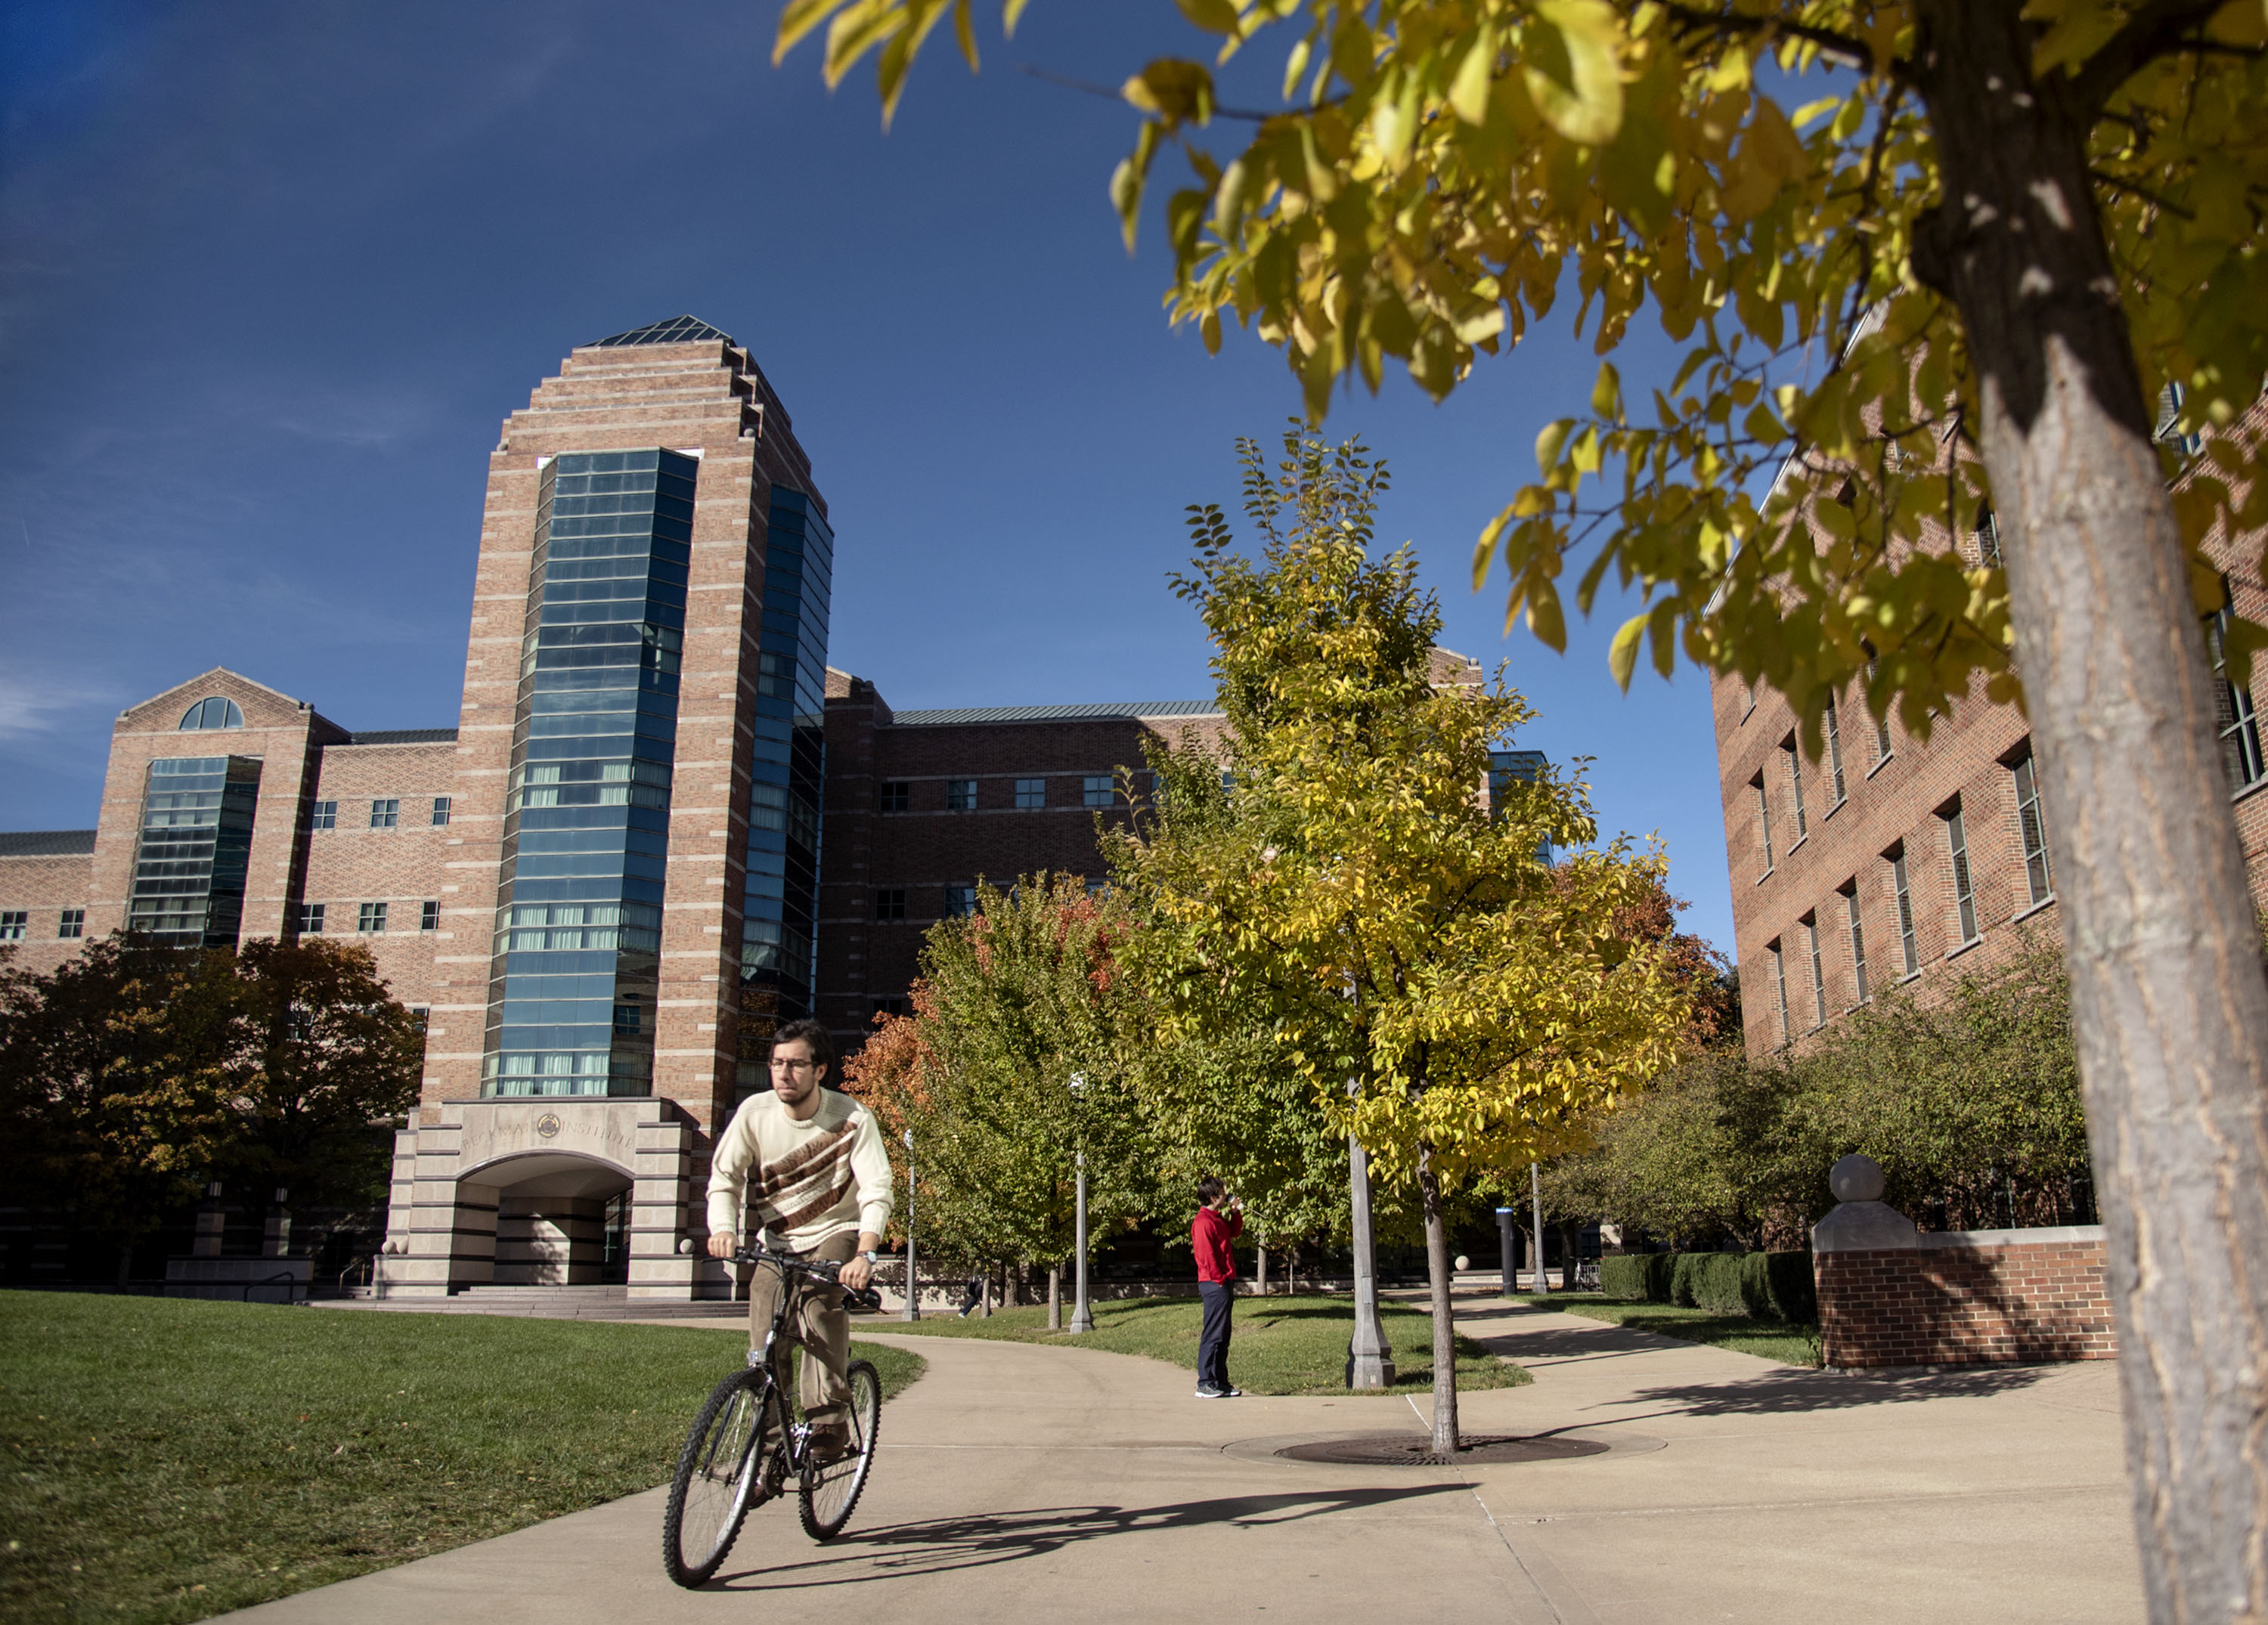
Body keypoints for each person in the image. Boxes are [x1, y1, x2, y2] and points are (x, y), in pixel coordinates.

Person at [706, 1018, 893, 1461]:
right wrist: (723, 1229)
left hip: (836, 1230)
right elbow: (725, 1179)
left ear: (820, 1070)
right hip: (779, 1240)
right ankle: (767, 1452)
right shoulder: (755, 1114)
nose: (784, 1074)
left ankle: (829, 1424)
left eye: (795, 1064)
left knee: (814, 1302)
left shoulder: (852, 1117)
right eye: (776, 1064)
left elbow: (876, 1189)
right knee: (766, 1332)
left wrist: (866, 1251)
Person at [1191, 1175, 1244, 1399]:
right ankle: (1205, 1382)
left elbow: (1235, 1232)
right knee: (1213, 1333)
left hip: (1224, 1281)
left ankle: (1220, 1381)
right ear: (1213, 1197)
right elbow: (1206, 1256)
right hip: (1214, 1284)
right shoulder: (1203, 1222)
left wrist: (1235, 1211)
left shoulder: (1217, 1219)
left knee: (1223, 1335)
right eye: (1223, 1194)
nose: (1226, 1195)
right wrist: (1219, 1279)